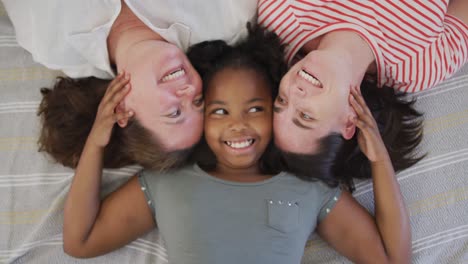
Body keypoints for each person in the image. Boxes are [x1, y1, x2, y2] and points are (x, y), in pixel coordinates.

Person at [61, 26, 411, 264]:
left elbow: (393, 258)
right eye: (219, 111)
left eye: (256, 108)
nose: (237, 123)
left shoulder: (309, 189)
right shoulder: (167, 183)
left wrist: (379, 157)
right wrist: (97, 140)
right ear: (201, 121)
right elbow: (80, 241)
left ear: (276, 115)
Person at [3, 0, 257, 169]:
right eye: (198, 102)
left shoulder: (50, 43)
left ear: (122, 111)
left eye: (175, 112)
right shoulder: (227, 21)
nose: (189, 91)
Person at [257, 0, 468, 161]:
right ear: (349, 120)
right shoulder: (418, 67)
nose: (294, 92)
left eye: (281, 101)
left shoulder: (284, 14)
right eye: (305, 115)